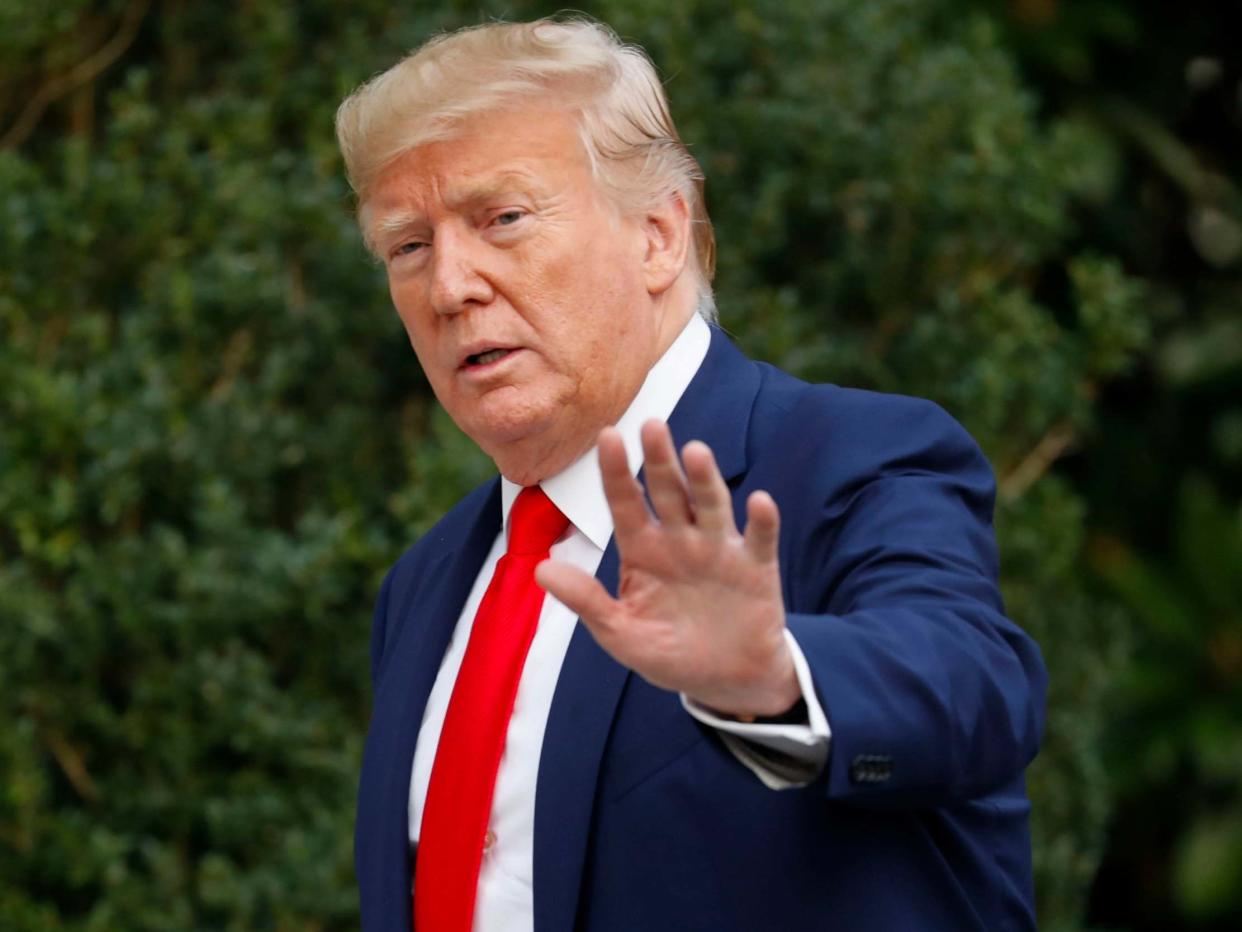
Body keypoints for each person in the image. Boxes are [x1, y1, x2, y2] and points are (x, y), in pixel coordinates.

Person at [336, 16, 1047, 932]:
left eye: (501, 219)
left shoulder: (854, 459)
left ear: (659, 236)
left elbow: (976, 686)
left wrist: (776, 681)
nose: (449, 287)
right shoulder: (426, 583)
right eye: (409, 247)